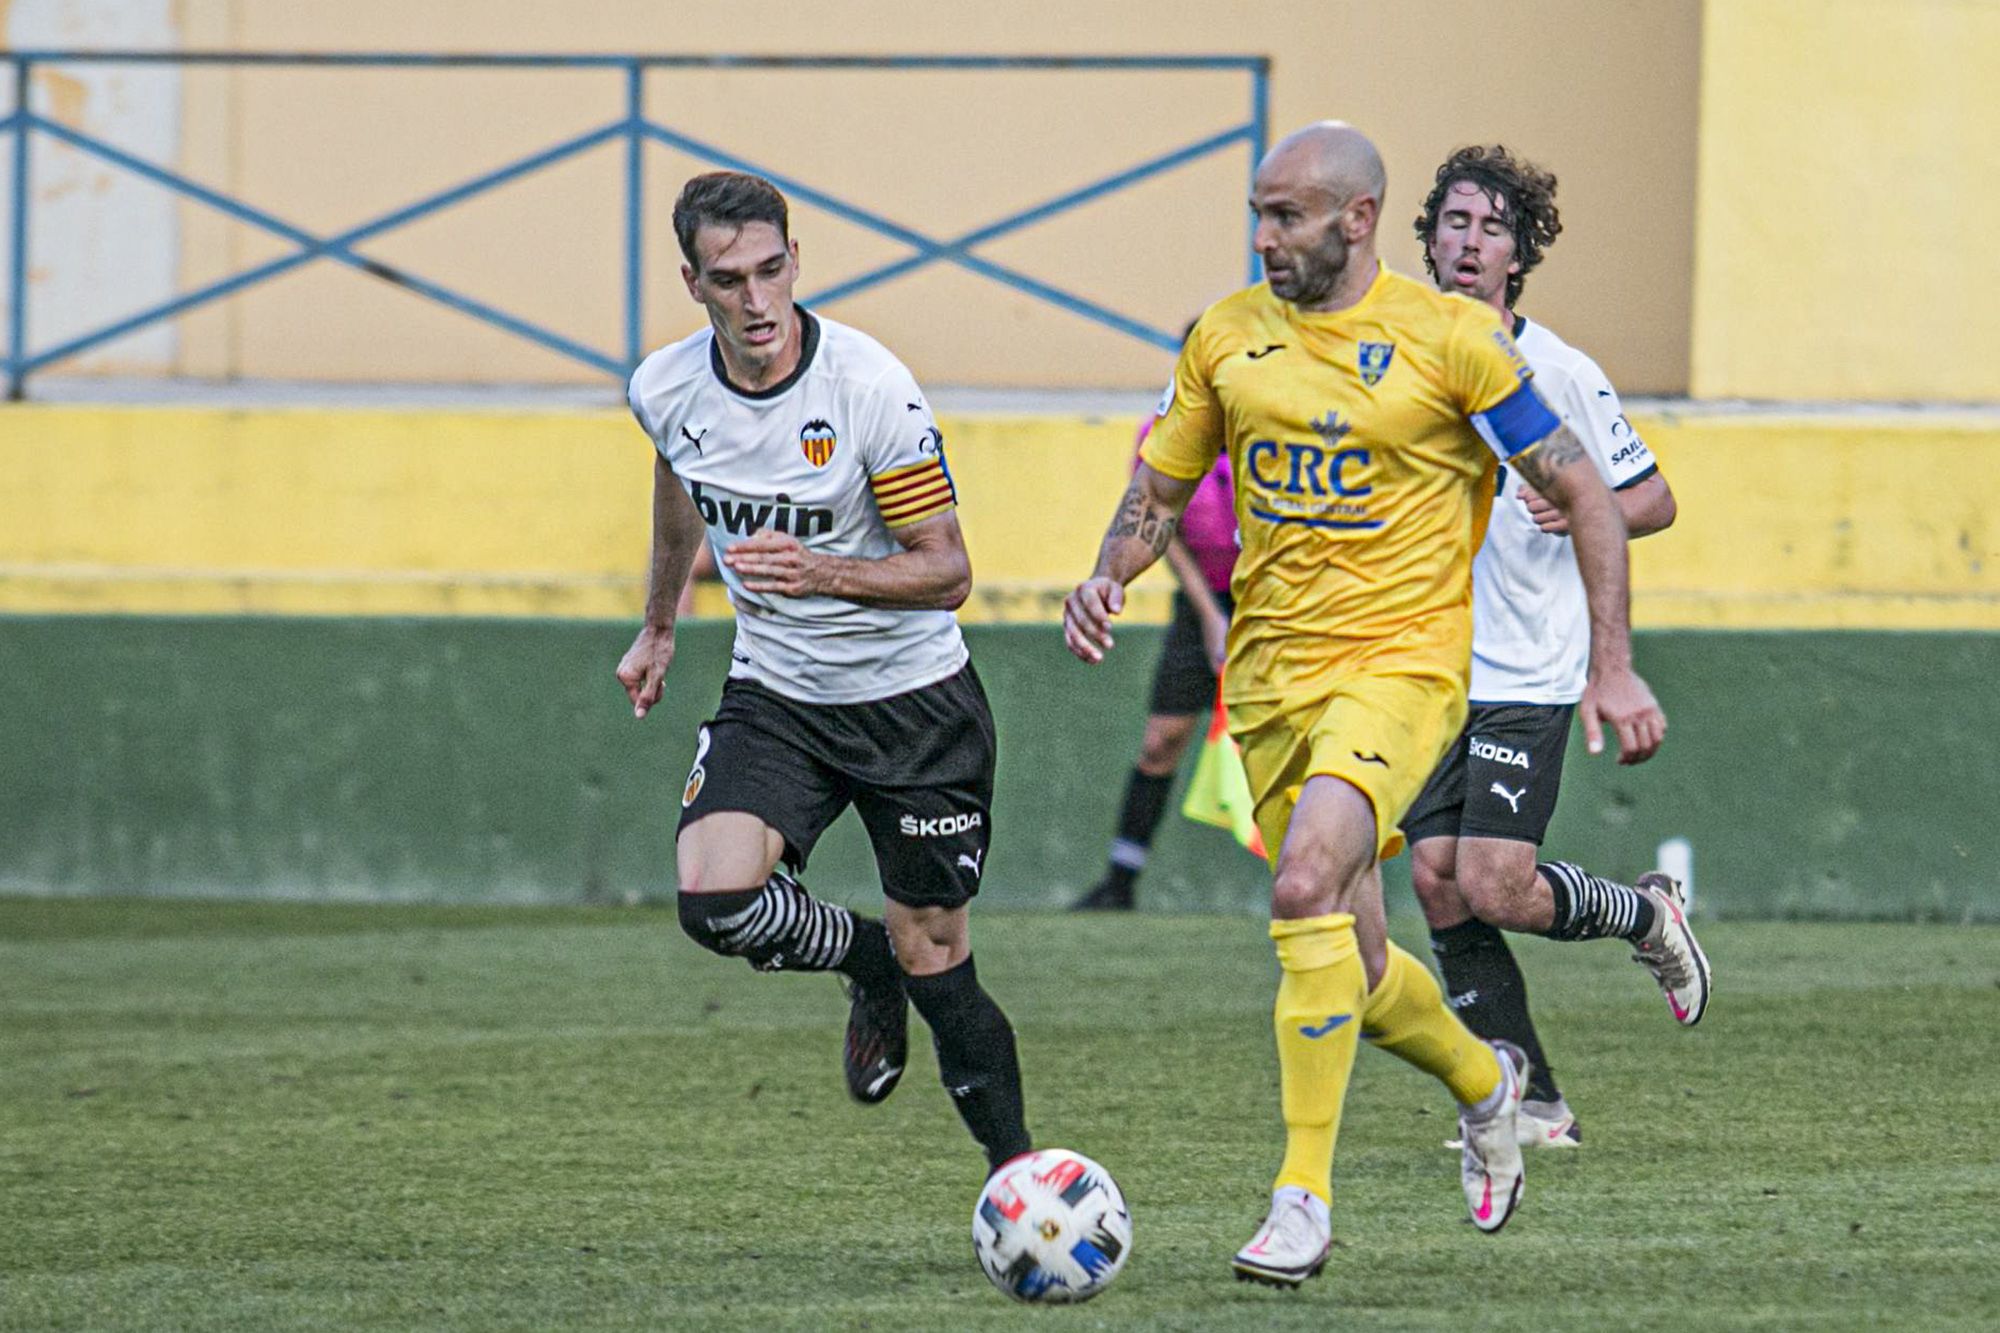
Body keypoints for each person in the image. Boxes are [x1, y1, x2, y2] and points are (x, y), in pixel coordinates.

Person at [1064, 121, 1667, 1289]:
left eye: (1285, 215)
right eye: (1256, 212)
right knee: (1353, 949)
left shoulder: (1450, 340)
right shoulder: (1226, 337)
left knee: (1301, 887)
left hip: (1402, 667)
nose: (1262, 235)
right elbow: (1156, 490)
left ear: (1355, 220)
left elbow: (1592, 497)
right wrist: (1106, 573)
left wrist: (1612, 662)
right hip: (1272, 683)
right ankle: (1488, 1080)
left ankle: (1301, 1200)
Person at [616, 170, 1031, 1175]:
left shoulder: (866, 390)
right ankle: (862, 957)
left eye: (770, 271)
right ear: (691, 282)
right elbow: (679, 492)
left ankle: (1019, 1178)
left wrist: (820, 571)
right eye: (728, 280)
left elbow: (948, 571)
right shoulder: (665, 389)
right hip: (778, 699)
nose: (756, 302)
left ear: (796, 262)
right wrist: (659, 623)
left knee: (942, 962)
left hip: (913, 709)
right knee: (714, 902)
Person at [1402, 145, 1711, 1152]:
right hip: (1429, 663)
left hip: (1525, 662)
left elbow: (1651, 498)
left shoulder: (1558, 371)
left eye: (1491, 228)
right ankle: (1529, 1103)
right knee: (1435, 878)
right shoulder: (1400, 353)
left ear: (1517, 254)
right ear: (1427, 236)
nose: (1468, 243)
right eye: (1454, 222)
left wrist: (1578, 500)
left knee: (1490, 880)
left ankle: (1644, 914)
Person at [1073, 350, 1237, 912]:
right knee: (1161, 741)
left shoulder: (1269, 423)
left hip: (1278, 594)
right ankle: (1121, 880)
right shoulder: (1169, 431)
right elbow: (1164, 525)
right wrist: (1213, 617)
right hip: (1202, 603)